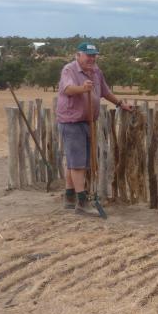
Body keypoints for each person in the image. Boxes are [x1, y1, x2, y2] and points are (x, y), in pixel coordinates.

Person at [57, 42, 133, 215]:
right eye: (88, 55)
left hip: (88, 120)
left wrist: (121, 104)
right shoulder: (69, 70)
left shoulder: (96, 71)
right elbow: (67, 89)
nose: (91, 59)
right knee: (78, 163)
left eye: (94, 55)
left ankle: (69, 197)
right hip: (71, 121)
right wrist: (82, 89)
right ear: (78, 55)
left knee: (76, 161)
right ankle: (82, 202)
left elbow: (105, 91)